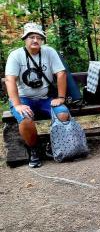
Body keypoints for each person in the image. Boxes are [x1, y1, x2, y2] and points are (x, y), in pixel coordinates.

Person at [5, 22, 70, 168]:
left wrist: (60, 98)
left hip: (45, 98)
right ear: (25, 39)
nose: (35, 40)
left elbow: (61, 73)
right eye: (31, 37)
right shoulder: (15, 55)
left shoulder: (49, 52)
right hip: (23, 98)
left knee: (63, 114)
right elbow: (10, 80)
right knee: (26, 118)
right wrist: (17, 105)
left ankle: (53, 146)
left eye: (38, 37)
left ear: (42, 40)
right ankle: (34, 149)